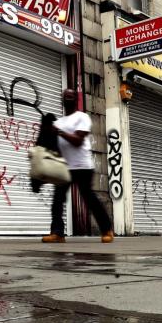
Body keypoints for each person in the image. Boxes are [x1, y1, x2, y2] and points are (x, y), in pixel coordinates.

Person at [42, 89, 114, 244]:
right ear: (62, 99)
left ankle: (107, 230)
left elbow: (77, 141)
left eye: (70, 96)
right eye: (65, 96)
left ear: (76, 99)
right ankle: (58, 233)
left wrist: (59, 132)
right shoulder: (58, 122)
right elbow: (54, 147)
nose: (67, 98)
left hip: (82, 166)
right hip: (65, 167)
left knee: (89, 199)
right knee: (57, 200)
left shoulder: (82, 117)